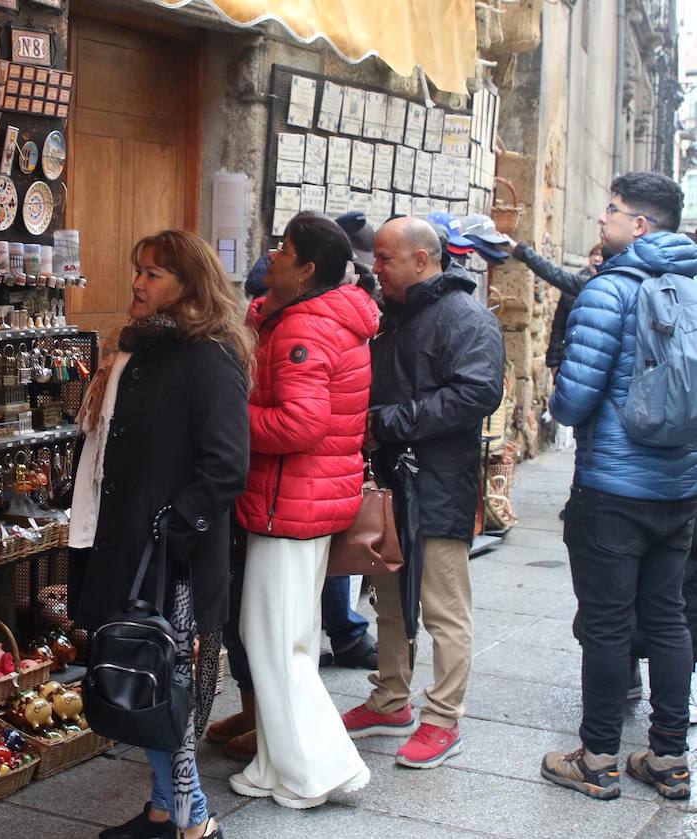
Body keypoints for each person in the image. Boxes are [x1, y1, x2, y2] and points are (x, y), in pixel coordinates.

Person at [69, 230, 251, 839]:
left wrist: (173, 524)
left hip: (172, 556)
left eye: (154, 274)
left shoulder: (209, 355)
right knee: (141, 676)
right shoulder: (137, 349)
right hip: (125, 542)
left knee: (159, 681)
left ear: (189, 285)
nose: (138, 283)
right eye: (138, 270)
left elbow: (226, 464)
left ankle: (194, 820)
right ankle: (161, 810)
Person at [540, 172, 697, 800]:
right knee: (668, 618)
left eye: (612, 209)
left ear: (638, 225)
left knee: (605, 624)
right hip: (680, 486)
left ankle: (599, 755)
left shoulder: (611, 290)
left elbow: (574, 401)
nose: (602, 218)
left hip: (613, 487)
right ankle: (669, 757)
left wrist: (559, 399)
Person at [340, 216, 505, 769]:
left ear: (421, 260)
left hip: (438, 483)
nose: (375, 268)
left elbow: (477, 393)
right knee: (388, 595)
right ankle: (390, 699)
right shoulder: (389, 314)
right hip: (392, 480)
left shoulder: (467, 317)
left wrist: (388, 421)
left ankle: (442, 717)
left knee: (442, 606)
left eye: (385, 259)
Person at [226, 213, 377, 808]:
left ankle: (318, 772)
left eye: (284, 249)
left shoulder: (304, 330)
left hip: (290, 500)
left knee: (275, 642)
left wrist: (228, 422)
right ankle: (274, 765)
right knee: (282, 637)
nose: (274, 256)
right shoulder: (305, 317)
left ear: (308, 268)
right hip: (300, 498)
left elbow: (299, 422)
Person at [505, 238, 604, 371]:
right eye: (594, 254)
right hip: (570, 359)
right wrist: (554, 361)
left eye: (601, 255)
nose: (597, 259)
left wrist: (522, 251)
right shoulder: (577, 284)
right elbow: (559, 324)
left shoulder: (603, 286)